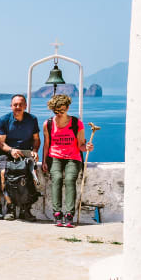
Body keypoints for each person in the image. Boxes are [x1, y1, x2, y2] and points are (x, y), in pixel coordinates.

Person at [42, 94, 93, 228]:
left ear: (68, 108)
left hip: (73, 157)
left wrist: (86, 147)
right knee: (57, 178)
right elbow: (46, 144)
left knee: (70, 180)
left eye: (62, 110)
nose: (59, 114)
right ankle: (57, 213)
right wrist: (44, 161)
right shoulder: (48, 124)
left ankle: (69, 214)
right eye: (56, 111)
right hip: (54, 156)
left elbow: (81, 145)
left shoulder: (76, 123)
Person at [0, 95, 41, 221]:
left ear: (25, 106)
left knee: (32, 175)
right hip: (6, 153)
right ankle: (10, 208)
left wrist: (35, 151)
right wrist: (11, 150)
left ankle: (25, 209)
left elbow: (36, 139)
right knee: (3, 174)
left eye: (21, 104)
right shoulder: (4, 120)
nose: (18, 107)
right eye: (15, 104)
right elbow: (1, 143)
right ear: (11, 106)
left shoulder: (32, 119)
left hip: (26, 152)